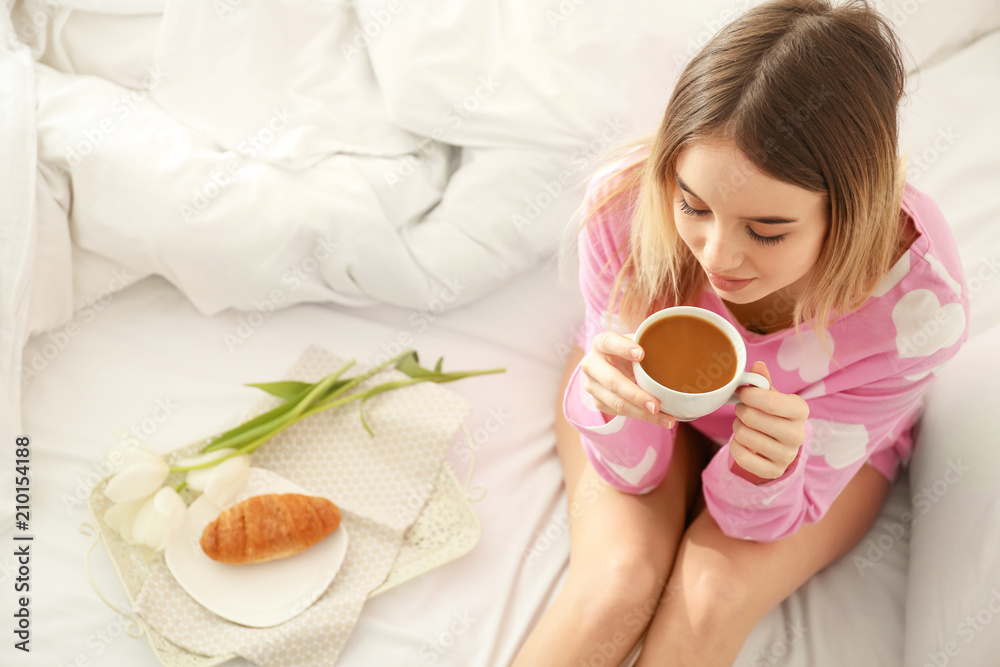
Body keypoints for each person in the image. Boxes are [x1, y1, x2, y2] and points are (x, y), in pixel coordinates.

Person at [511, 0, 971, 665]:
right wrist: (611, 406)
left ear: (849, 212)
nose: (718, 257)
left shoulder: (917, 312)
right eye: (693, 206)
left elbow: (750, 522)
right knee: (616, 583)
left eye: (767, 229)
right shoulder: (624, 210)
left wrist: (767, 468)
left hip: (814, 449)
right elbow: (631, 470)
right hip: (642, 412)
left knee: (708, 595)